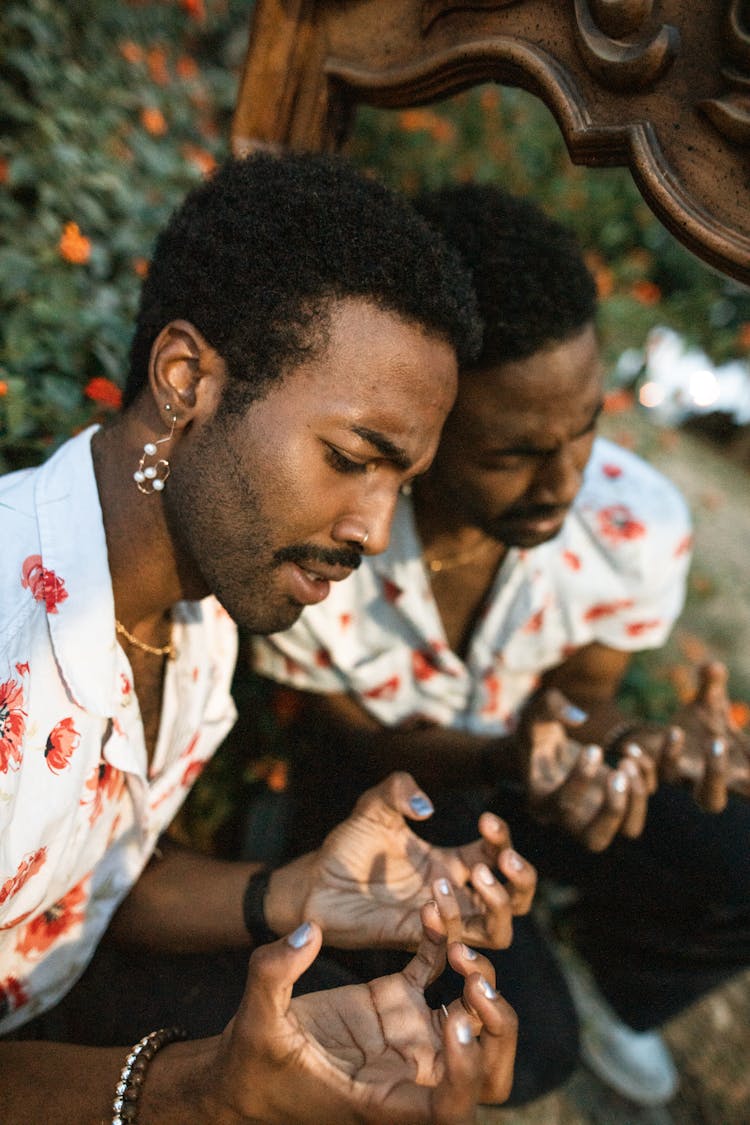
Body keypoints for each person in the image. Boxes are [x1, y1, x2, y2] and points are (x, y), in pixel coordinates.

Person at [0, 156, 535, 1124]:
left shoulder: (202, 621)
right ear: (186, 381)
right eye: (349, 459)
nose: (373, 530)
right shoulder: (13, 647)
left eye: (400, 483)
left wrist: (303, 892)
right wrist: (195, 1093)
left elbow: (95, 879)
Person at [251, 183, 750, 1107]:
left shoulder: (629, 521)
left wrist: (623, 748)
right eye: (513, 452)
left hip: (519, 777)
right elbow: (356, 736)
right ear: (423, 427)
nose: (566, 480)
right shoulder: (325, 526)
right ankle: (523, 966)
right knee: (527, 1049)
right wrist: (513, 757)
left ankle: (612, 979)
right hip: (380, 796)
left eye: (586, 426)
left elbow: (579, 692)